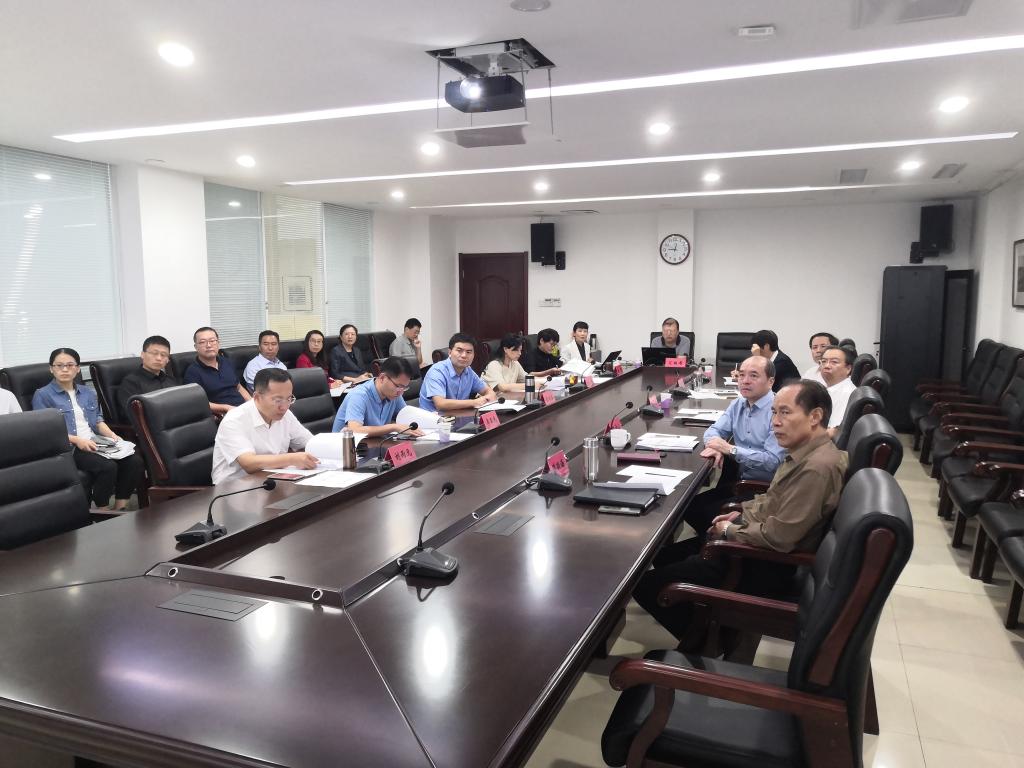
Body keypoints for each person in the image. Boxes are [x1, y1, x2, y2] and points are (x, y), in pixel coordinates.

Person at [633, 380, 848, 642]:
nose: (775, 422)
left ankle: (708, 639)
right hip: (758, 545)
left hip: (762, 563)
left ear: (815, 416)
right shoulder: (805, 453)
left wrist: (730, 531)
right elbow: (773, 499)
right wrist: (740, 513)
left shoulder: (816, 468)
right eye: (774, 412)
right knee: (665, 555)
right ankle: (703, 619)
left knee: (644, 585)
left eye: (785, 412)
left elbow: (780, 537)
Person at [682, 356, 785, 533]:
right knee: (689, 505)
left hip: (765, 490)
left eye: (753, 375)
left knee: (697, 509)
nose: (745, 381)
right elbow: (713, 431)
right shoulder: (738, 404)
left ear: (770, 381)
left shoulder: (778, 411)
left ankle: (722, 543)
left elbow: (772, 461)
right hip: (739, 480)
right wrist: (715, 447)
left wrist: (730, 449)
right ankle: (715, 540)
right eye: (741, 375)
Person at [32, 347, 143, 511]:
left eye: (70, 365)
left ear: (77, 369)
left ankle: (120, 507)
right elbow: (46, 431)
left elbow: (97, 420)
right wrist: (77, 440)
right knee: (108, 467)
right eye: (59, 365)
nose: (64, 369)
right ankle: (102, 509)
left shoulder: (88, 392)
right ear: (51, 369)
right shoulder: (43, 395)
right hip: (69, 448)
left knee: (134, 461)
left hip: (95, 442)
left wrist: (113, 436)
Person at [211, 368, 318, 484]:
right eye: (278, 400)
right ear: (257, 397)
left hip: (271, 481)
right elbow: (249, 463)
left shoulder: (286, 415)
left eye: (289, 399)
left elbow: (310, 443)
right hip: (232, 488)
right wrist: (292, 458)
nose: (284, 407)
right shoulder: (234, 420)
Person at [332, 357, 423, 437]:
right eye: (398, 386)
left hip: (374, 444)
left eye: (404, 388)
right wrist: (393, 427)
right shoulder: (359, 395)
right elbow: (355, 430)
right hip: (345, 447)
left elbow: (406, 416)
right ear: (382, 378)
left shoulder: (395, 394)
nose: (401, 392)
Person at [419, 332, 497, 413]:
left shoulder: (468, 371)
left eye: (468, 352)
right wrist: (474, 402)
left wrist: (489, 396)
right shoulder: (437, 371)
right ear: (449, 352)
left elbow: (488, 391)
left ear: (473, 355)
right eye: (459, 351)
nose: (464, 355)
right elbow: (440, 404)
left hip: (458, 416)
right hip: (434, 418)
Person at [183, 326, 251, 416]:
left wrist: (252, 403)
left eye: (212, 341)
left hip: (242, 409)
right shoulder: (193, 372)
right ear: (196, 347)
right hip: (222, 414)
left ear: (218, 343)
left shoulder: (227, 362)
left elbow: (238, 387)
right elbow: (197, 402)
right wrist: (226, 408)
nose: (209, 345)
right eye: (202, 342)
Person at [117, 335, 179, 420]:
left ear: (168, 360)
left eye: (163, 355)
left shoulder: (171, 380)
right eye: (154, 353)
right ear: (142, 354)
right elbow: (131, 415)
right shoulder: (131, 383)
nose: (159, 358)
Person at [820, 344, 857, 433]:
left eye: (834, 362)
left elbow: (834, 431)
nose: (827, 366)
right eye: (824, 361)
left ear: (848, 369)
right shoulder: (830, 388)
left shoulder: (847, 393)